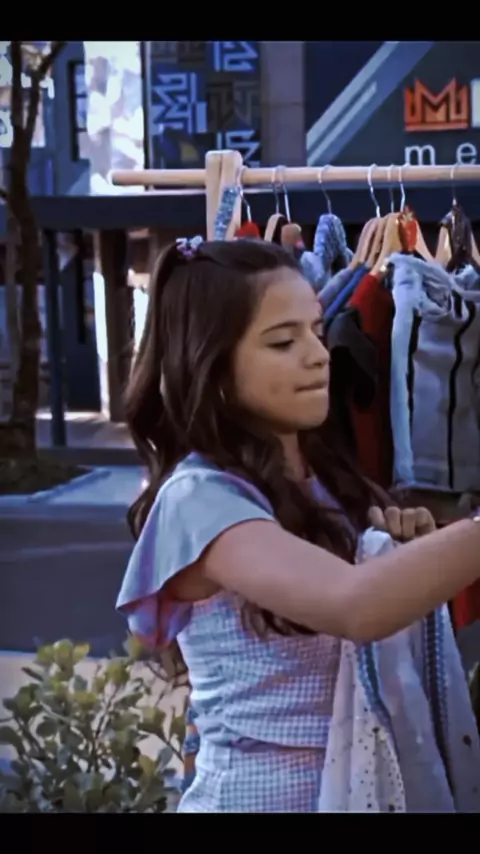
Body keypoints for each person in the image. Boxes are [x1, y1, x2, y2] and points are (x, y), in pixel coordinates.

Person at [117, 238, 480, 813]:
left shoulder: (331, 482)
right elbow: (355, 605)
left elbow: (378, 606)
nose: (318, 355)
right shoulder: (198, 499)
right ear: (212, 366)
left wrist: (405, 551)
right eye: (283, 342)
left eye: (316, 330)